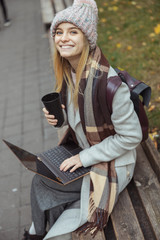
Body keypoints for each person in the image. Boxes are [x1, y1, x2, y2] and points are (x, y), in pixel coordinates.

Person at [22, 0, 142, 239]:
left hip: (114, 163)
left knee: (54, 211)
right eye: (59, 32)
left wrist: (83, 157)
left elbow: (132, 136)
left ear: (88, 39)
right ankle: (37, 232)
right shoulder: (71, 71)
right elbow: (82, 118)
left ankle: (48, 231)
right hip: (87, 150)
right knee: (41, 179)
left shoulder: (109, 84)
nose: (63, 38)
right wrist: (61, 118)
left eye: (73, 32)